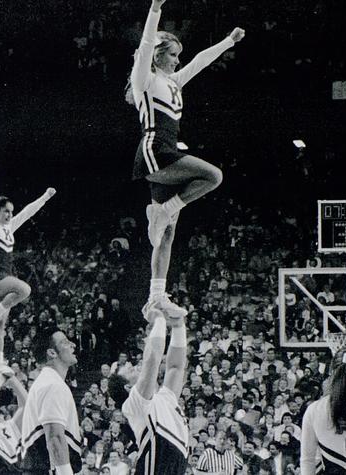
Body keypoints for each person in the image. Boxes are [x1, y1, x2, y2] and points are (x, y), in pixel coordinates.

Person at [126, 0, 244, 320]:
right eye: (173, 55)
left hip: (169, 152)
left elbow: (200, 62)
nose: (178, 61)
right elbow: (147, 41)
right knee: (213, 176)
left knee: (166, 234)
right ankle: (164, 209)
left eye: (178, 56)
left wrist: (228, 41)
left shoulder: (174, 83)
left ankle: (156, 297)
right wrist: (155, 9)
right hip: (155, 151)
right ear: (158, 56)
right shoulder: (145, 80)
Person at [108, 307, 188, 474]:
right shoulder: (134, 403)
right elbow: (151, 360)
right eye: (130, 371)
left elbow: (175, 367)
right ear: (129, 387)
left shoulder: (165, 398)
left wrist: (178, 326)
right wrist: (159, 319)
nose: (136, 367)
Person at [0, 170, 56, 341]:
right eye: (6, 211)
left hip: (4, 275)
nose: (9, 215)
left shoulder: (9, 227)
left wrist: (45, 197)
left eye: (11, 212)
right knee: (25, 290)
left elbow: (28, 212)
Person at [20, 326, 82, 475]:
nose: (73, 345)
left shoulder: (49, 381)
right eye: (65, 342)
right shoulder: (52, 384)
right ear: (52, 352)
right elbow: (55, 438)